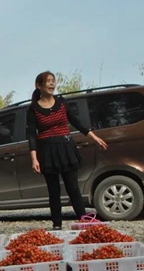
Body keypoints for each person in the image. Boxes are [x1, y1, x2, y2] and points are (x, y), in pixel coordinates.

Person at [26, 71, 108, 230]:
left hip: (66, 148)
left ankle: (83, 220)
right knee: (53, 190)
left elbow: (76, 122)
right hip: (47, 152)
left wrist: (93, 137)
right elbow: (31, 135)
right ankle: (57, 224)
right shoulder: (33, 109)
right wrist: (34, 159)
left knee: (73, 187)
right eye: (48, 81)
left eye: (53, 81)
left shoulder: (62, 102)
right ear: (39, 85)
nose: (51, 84)